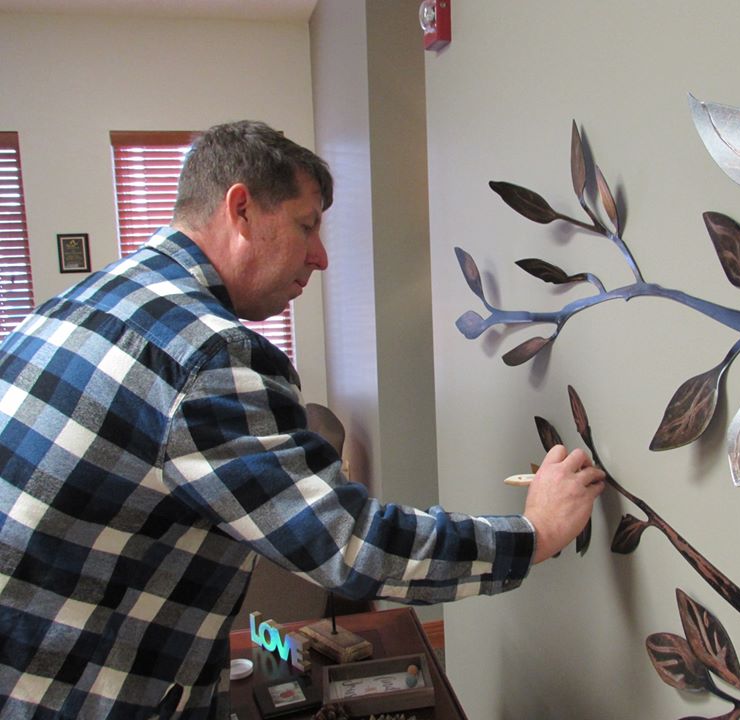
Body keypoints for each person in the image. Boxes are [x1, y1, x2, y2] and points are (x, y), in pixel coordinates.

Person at [0, 121, 605, 719]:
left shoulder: (74, 305)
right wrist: (535, 536)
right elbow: (351, 544)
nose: (319, 257)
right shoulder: (210, 356)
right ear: (241, 209)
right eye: (306, 225)